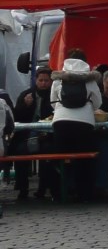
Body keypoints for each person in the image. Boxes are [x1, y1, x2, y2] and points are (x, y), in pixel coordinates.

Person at [50, 50, 103, 202]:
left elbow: (53, 102)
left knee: (59, 159)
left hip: (61, 122)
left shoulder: (58, 80)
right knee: (85, 160)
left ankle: (58, 193)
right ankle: (85, 194)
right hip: (85, 123)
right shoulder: (90, 81)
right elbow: (98, 103)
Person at [12, 67, 57, 200]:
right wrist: (25, 105)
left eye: (46, 80)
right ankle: (22, 188)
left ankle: (43, 188)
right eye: (41, 80)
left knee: (48, 152)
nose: (43, 83)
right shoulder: (26, 94)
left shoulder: (54, 95)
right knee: (19, 151)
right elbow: (17, 117)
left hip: (46, 135)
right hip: (26, 135)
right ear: (36, 80)